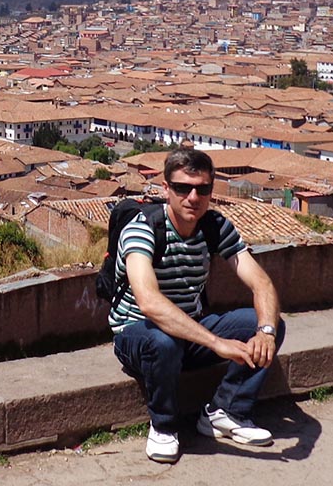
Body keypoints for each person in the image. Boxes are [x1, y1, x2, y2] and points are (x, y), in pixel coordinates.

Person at [110, 147, 285, 464]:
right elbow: (149, 303)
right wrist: (217, 344)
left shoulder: (215, 227)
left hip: (190, 332)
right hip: (138, 334)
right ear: (166, 189)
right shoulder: (142, 229)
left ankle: (226, 411)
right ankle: (164, 426)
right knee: (162, 343)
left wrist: (267, 332)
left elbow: (262, 283)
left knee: (268, 323)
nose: (193, 197)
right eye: (182, 188)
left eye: (202, 189)